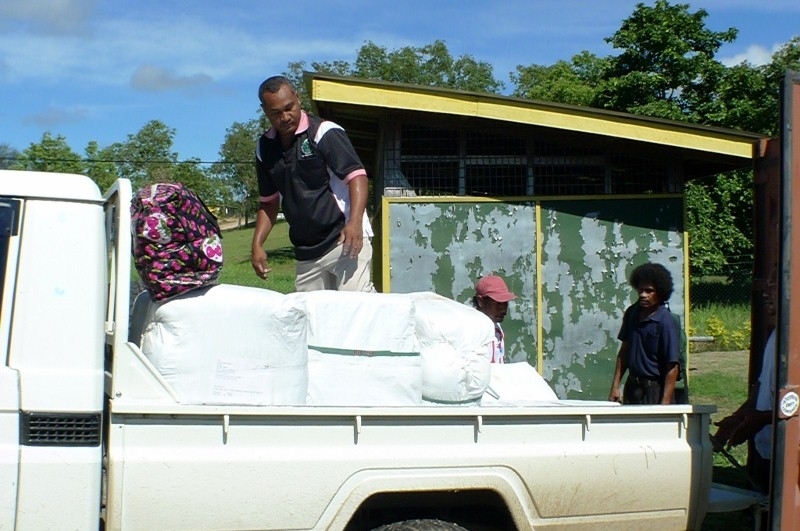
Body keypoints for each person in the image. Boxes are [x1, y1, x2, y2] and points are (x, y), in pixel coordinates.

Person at [252, 75, 374, 292]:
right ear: (265, 111)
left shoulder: (323, 132)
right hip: (307, 251)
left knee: (357, 306)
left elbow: (357, 176)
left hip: (344, 238)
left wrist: (355, 223)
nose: (285, 117)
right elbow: (268, 202)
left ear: (297, 98)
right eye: (276, 113)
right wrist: (257, 244)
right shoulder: (265, 148)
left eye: (289, 108)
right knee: (309, 311)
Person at [712, 267, 778, 492]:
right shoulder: (776, 335)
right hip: (768, 450)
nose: (766, 293)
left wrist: (763, 419)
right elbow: (762, 385)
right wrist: (738, 417)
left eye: (773, 286)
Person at [608, 262, 682, 405]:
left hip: (654, 390)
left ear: (660, 293)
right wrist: (615, 387)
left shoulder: (665, 321)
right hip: (633, 388)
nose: (643, 295)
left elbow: (672, 367)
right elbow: (624, 352)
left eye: (649, 291)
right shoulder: (632, 314)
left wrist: (665, 404)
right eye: (640, 290)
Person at [472, 274, 517, 364]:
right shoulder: (472, 332)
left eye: (505, 303)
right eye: (498, 304)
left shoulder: (497, 328)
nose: (503, 309)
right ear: (481, 302)